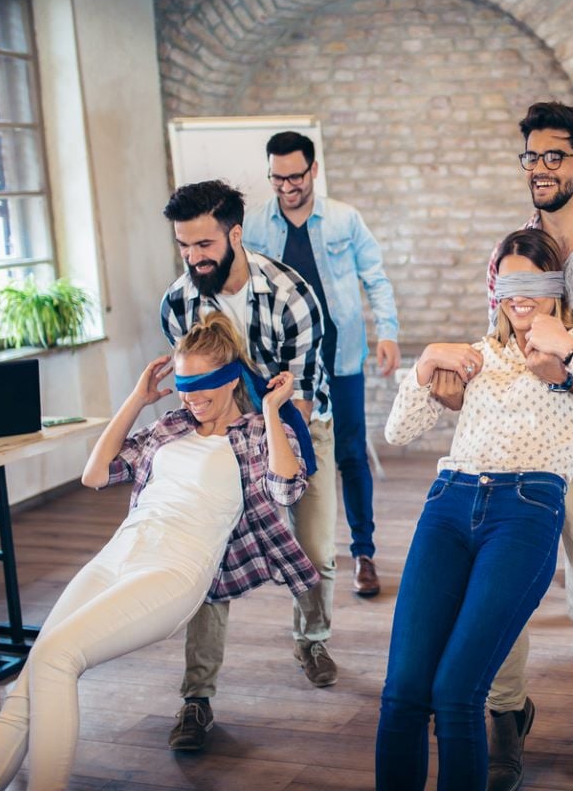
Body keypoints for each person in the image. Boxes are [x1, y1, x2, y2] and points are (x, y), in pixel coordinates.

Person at [0, 313, 317, 791]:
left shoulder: (256, 435)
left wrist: (273, 411)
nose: (191, 396)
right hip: (118, 556)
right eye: (184, 383)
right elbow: (95, 474)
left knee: (59, 656)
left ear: (231, 378)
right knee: (32, 678)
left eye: (202, 384)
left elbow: (288, 489)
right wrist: (136, 400)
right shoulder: (172, 425)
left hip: (174, 570)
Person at [376, 228, 573, 791]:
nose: (519, 296)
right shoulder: (476, 353)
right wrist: (426, 363)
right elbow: (398, 431)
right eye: (508, 283)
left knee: (456, 691)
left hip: (524, 509)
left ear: (557, 286)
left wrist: (568, 347)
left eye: (533, 282)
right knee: (404, 689)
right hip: (449, 503)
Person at [432, 102, 573, 784]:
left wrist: (563, 373)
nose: (539, 169)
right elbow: (501, 344)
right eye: (531, 157)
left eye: (553, 156)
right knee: (503, 592)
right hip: (518, 449)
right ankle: (506, 713)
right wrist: (458, 383)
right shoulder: (509, 249)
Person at [159, 180, 338, 755]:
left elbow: (302, 396)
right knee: (208, 562)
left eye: (205, 244)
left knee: (313, 547)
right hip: (220, 438)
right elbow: (196, 394)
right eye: (185, 246)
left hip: (299, 426)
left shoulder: (291, 294)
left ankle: (311, 640)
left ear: (236, 233)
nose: (194, 258)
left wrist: (275, 474)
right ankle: (197, 697)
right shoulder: (178, 303)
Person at [243, 130, 401, 598]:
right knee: (285, 453)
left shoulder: (344, 220)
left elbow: (376, 276)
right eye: (278, 179)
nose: (288, 187)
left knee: (352, 454)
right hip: (282, 363)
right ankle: (299, 554)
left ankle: (364, 553)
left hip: (341, 356)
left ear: (313, 170)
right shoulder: (254, 226)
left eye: (295, 177)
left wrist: (387, 332)